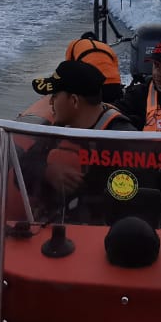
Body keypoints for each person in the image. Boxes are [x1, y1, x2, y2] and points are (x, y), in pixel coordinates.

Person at [24, 60, 138, 216]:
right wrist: (47, 172)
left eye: (55, 96)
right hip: (55, 226)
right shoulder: (57, 130)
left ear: (74, 101)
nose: (50, 102)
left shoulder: (122, 140)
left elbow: (131, 200)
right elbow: (24, 166)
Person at [64, 32, 124, 104]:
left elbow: (67, 69)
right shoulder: (106, 47)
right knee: (115, 109)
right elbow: (115, 67)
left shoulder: (74, 44)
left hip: (94, 87)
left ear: (82, 39)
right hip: (114, 84)